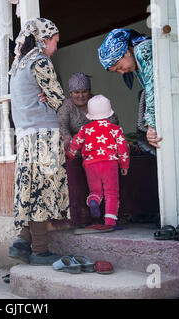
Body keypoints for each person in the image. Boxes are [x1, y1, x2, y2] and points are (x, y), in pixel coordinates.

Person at [8, 17, 70, 266]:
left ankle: (22, 242)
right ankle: (40, 251)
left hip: (25, 136)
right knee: (43, 192)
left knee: (31, 190)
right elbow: (57, 98)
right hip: (43, 136)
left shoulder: (18, 66)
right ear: (44, 41)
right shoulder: (40, 61)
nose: (56, 47)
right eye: (54, 42)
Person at [57, 72, 119, 227]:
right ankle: (99, 218)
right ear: (71, 93)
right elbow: (62, 128)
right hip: (77, 150)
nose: (81, 95)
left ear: (89, 91)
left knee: (100, 189)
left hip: (98, 151)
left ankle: (102, 212)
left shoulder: (98, 102)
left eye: (84, 91)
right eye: (76, 92)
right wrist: (72, 146)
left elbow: (113, 122)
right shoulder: (67, 106)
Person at [67, 95, 130, 229]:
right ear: (109, 112)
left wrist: (70, 156)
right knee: (111, 193)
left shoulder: (85, 129)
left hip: (90, 165)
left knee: (96, 190)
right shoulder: (115, 129)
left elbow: (75, 143)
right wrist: (124, 165)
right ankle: (110, 223)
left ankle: (94, 200)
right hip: (110, 163)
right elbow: (123, 147)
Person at [98, 28, 163, 148]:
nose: (122, 73)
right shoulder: (136, 58)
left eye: (119, 67)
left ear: (127, 52)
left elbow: (152, 87)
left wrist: (151, 126)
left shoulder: (142, 51)